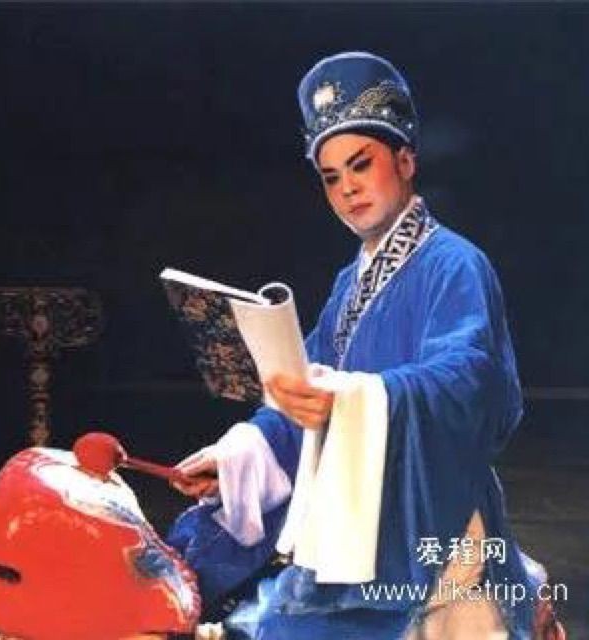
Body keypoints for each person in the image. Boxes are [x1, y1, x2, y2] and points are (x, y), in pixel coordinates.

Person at [167, 52, 565, 639]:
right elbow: (307, 386)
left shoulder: (455, 264)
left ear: (405, 161)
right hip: (354, 510)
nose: (348, 188)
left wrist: (354, 399)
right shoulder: (349, 284)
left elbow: (469, 379)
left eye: (361, 165)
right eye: (332, 177)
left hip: (430, 512)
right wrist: (236, 457)